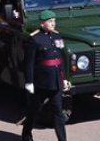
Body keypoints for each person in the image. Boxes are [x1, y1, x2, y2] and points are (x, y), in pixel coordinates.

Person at [22, 10, 67, 141]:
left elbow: (61, 59)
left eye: (54, 21)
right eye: (50, 21)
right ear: (42, 23)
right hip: (41, 83)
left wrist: (64, 78)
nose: (53, 24)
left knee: (58, 112)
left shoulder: (57, 36)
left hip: (56, 81)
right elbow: (29, 62)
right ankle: (26, 134)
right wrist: (29, 82)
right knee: (35, 110)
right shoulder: (35, 39)